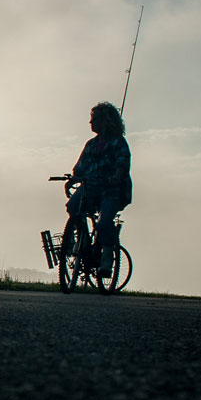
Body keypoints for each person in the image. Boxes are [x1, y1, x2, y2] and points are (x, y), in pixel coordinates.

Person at [67, 101, 132, 274]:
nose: (91, 123)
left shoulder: (119, 143)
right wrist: (72, 179)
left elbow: (122, 165)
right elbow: (80, 166)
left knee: (104, 223)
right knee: (73, 207)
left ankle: (107, 258)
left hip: (111, 191)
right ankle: (79, 243)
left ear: (105, 121)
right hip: (90, 188)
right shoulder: (91, 144)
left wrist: (115, 177)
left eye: (94, 119)